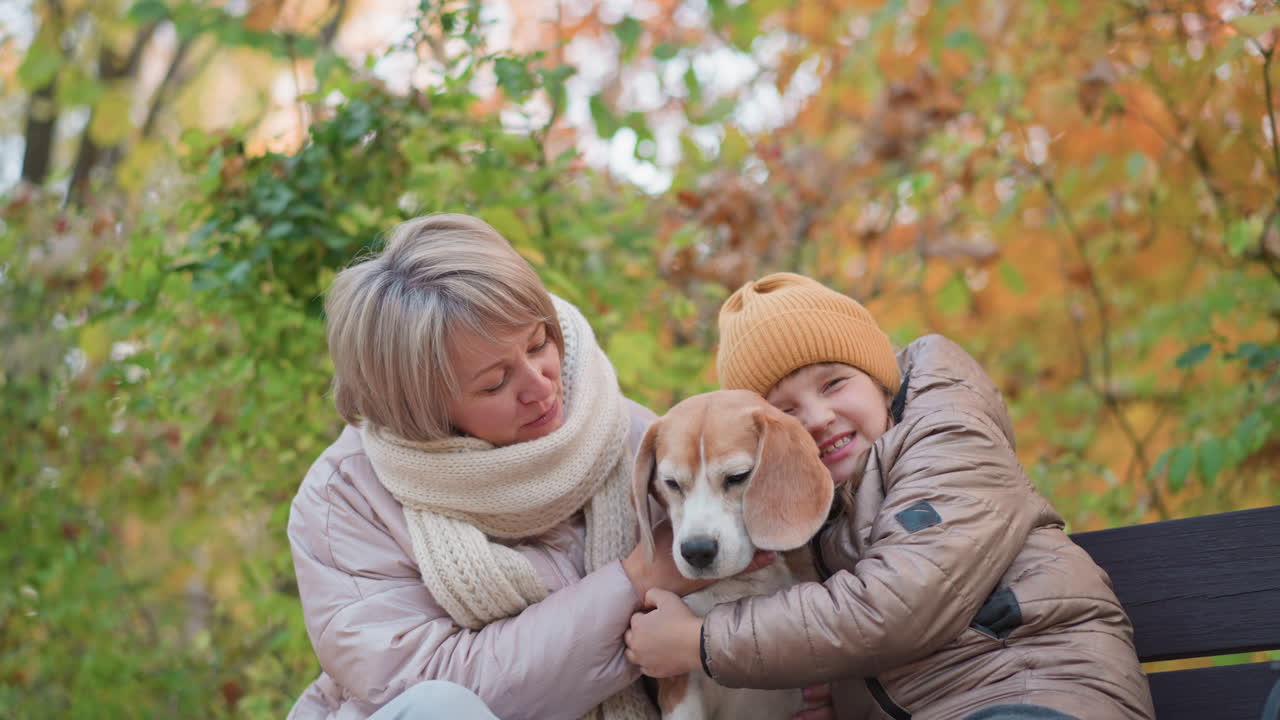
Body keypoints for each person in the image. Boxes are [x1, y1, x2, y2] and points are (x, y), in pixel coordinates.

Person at [286, 214, 757, 720]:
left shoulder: (625, 433)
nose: (541, 385)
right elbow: (432, 688)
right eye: (494, 383)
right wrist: (635, 582)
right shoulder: (346, 500)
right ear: (422, 410)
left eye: (538, 344)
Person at [624, 272, 1157, 720]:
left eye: (834, 383)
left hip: (1034, 692)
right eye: (786, 409)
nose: (817, 417)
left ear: (882, 378)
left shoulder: (947, 437)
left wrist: (697, 642)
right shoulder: (818, 505)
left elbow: (893, 609)